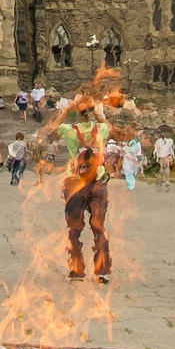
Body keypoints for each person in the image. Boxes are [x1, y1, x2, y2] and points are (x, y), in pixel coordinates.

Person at [55, 89, 121, 281]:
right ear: (91, 113)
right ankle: (102, 270)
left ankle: (76, 269)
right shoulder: (99, 129)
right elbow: (112, 129)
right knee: (98, 226)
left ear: (77, 111)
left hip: (75, 182)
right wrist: (100, 114)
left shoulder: (69, 130)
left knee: (74, 229)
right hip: (97, 181)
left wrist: (65, 110)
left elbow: (52, 129)